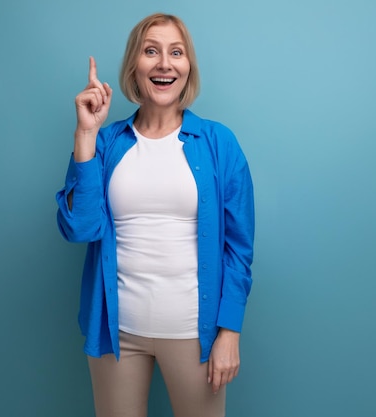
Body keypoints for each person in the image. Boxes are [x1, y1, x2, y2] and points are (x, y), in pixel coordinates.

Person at [56, 13, 254, 417]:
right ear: (134, 66)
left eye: (176, 53)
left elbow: (239, 247)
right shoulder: (107, 142)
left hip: (194, 336)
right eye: (151, 51)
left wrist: (229, 330)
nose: (164, 62)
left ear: (187, 68)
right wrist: (85, 135)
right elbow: (79, 227)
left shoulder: (220, 143)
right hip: (116, 333)